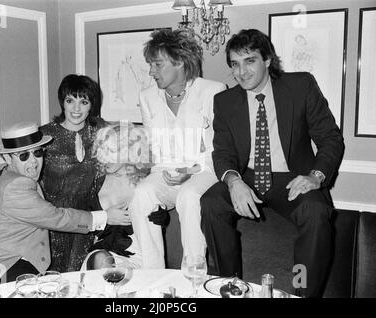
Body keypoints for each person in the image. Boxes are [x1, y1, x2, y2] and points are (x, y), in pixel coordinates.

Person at [200, 29, 344, 298]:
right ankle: (229, 285)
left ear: (267, 60)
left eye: (249, 61)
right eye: (235, 64)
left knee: (315, 212)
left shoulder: (300, 86)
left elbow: (330, 138)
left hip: (292, 176)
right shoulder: (225, 101)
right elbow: (222, 152)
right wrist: (234, 181)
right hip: (249, 175)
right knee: (211, 203)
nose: (241, 72)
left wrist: (316, 176)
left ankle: (303, 291)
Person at [0, 122, 130, 296]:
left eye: (37, 153)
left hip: (11, 262)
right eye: (24, 155)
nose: (33, 161)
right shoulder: (17, 185)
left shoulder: (15, 175)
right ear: (7, 158)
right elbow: (56, 217)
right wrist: (105, 217)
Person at [0, 74, 109, 272]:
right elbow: (9, 170)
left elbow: (123, 158)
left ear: (91, 105)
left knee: (79, 281)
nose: (76, 109)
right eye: (70, 101)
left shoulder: (99, 134)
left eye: (83, 101)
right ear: (63, 103)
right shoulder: (46, 136)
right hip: (49, 221)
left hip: (84, 220)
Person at [127, 29, 226, 269]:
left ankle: (193, 274)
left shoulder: (213, 91)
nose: (151, 72)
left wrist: (189, 171)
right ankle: (151, 274)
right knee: (141, 194)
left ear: (180, 62)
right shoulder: (148, 96)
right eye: (150, 65)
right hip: (166, 169)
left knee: (189, 196)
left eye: (157, 64)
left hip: (203, 169)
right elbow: (155, 147)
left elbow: (218, 148)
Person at [80, 122, 154, 270]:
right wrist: (104, 216)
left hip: (139, 257)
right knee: (100, 258)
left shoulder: (145, 184)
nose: (104, 158)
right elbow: (79, 222)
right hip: (100, 256)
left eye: (111, 152)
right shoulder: (95, 182)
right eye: (102, 150)